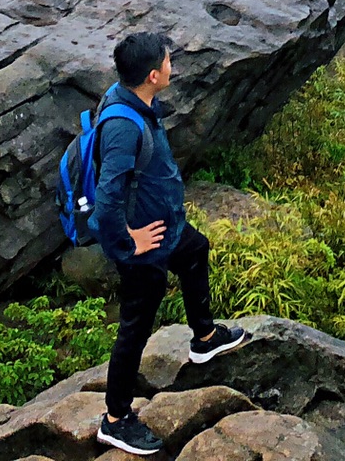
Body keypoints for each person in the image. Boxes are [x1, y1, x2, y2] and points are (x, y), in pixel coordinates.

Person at [94, 30, 248, 456]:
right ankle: (115, 419)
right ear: (151, 75)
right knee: (135, 327)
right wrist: (129, 243)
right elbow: (106, 202)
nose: (172, 67)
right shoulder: (124, 127)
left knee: (196, 251)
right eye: (167, 62)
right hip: (145, 242)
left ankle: (203, 338)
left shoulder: (135, 98)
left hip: (166, 227)